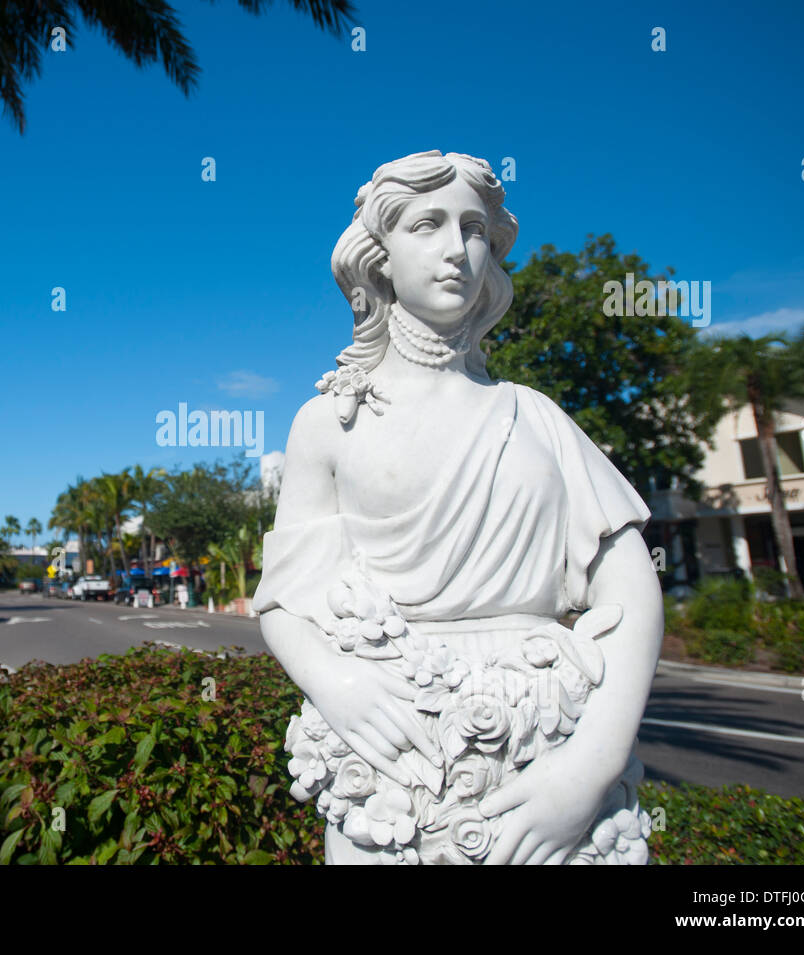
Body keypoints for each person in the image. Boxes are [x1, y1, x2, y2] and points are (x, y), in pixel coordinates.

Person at [254, 151, 663, 865]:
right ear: (379, 258)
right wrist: (337, 682)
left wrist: (589, 765)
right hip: (395, 765)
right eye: (426, 225)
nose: (456, 249)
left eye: (475, 228)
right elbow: (286, 600)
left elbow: (632, 590)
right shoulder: (330, 422)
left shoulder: (535, 418)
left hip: (548, 747)